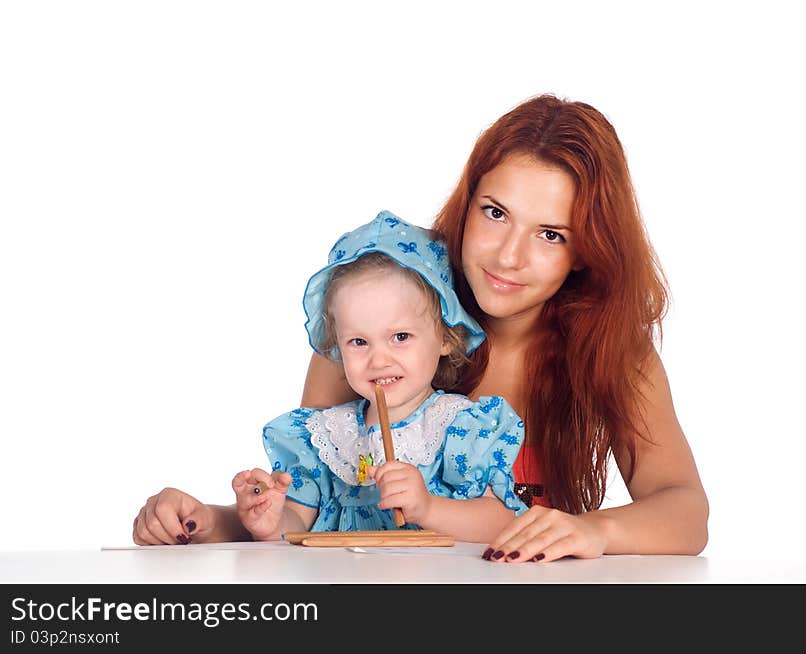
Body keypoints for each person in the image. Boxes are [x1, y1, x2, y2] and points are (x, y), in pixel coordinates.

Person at [300, 94, 710, 562]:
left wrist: (591, 530)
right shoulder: (380, 311)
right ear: (466, 203)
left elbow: (685, 510)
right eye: (495, 213)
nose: (508, 257)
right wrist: (224, 520)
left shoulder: (609, 345)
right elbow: (308, 499)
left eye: (550, 234)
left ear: (587, 252)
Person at [132, 211, 527, 545]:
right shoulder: (325, 436)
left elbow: (503, 522)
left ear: (445, 336)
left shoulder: (461, 428)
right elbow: (298, 523)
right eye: (359, 341)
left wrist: (428, 507)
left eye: (400, 337)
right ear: (337, 346)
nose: (379, 359)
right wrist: (269, 520)